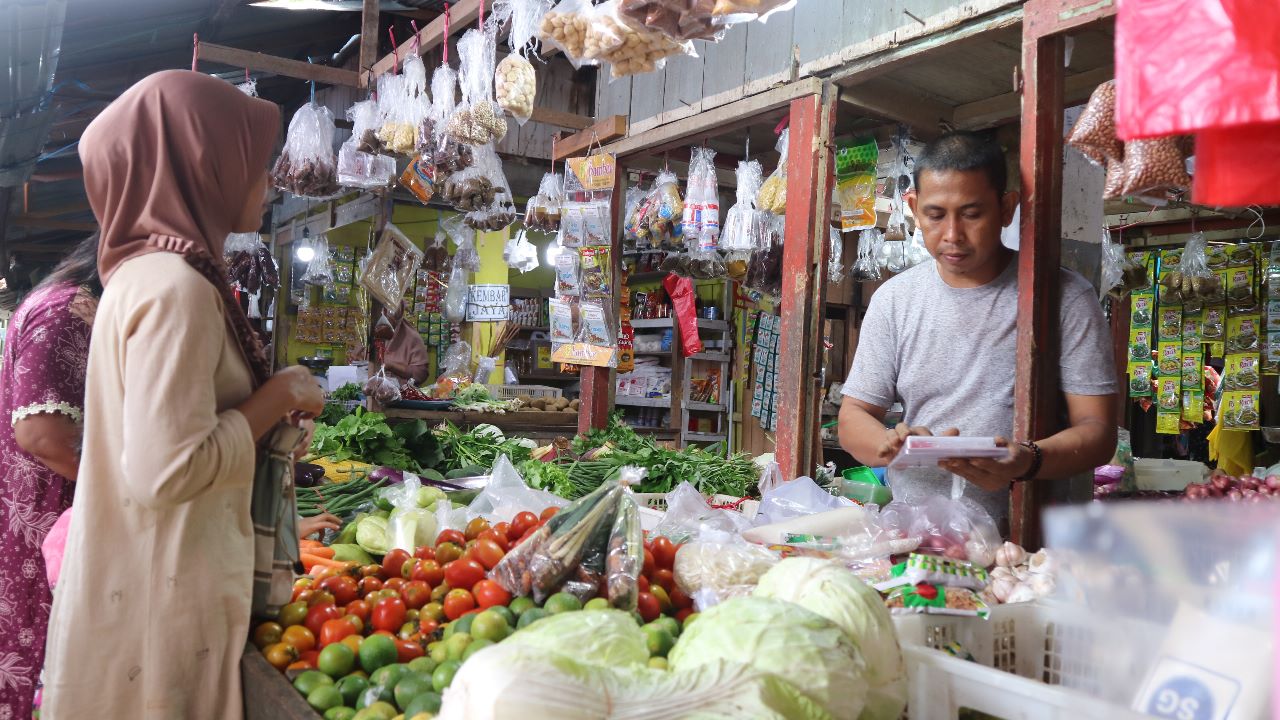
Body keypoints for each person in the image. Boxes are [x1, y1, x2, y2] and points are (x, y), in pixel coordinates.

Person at [41, 70, 325, 719]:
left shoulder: (141, 277)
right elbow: (169, 470)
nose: (270, 179)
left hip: (139, 585)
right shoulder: (177, 291)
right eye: (253, 162)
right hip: (163, 603)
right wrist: (277, 394)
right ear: (203, 165)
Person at [838, 131, 1118, 528]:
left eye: (972, 214)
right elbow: (854, 418)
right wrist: (891, 446)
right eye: (935, 215)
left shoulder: (1064, 297)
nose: (952, 234)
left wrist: (1028, 460)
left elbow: (1099, 431)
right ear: (914, 208)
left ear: (1006, 208)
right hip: (919, 537)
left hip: (1030, 543)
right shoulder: (894, 300)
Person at [0, 234, 99, 720]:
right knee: (41, 651)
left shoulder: (66, 303)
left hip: (42, 519)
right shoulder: (69, 311)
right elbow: (43, 436)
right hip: (47, 523)